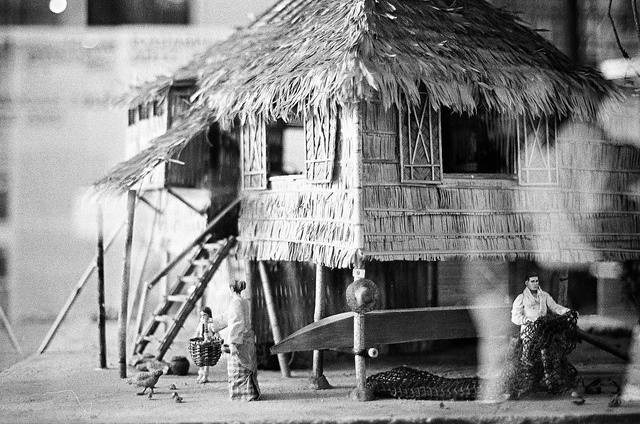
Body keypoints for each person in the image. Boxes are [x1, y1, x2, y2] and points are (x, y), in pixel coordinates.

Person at [510, 272, 574, 391]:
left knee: (546, 354)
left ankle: (549, 379)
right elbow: (515, 317)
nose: (535, 284)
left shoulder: (544, 295)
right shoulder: (521, 298)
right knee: (526, 357)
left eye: (537, 281)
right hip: (528, 333)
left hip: (543, 331)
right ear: (527, 283)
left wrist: (568, 312)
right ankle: (527, 381)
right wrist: (528, 320)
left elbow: (555, 307)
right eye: (532, 281)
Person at [206, 279, 260, 401]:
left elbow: (237, 323)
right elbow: (227, 316)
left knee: (240, 369)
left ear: (231, 289)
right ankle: (248, 393)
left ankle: (245, 395)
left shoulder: (236, 303)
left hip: (241, 341)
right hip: (246, 339)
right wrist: (212, 322)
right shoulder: (242, 301)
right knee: (244, 368)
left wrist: (233, 343)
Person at [196, 306, 217, 384]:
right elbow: (198, 331)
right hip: (201, 342)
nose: (203, 317)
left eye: (204, 315)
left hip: (208, 343)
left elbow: (215, 332)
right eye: (201, 315)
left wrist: (215, 339)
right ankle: (201, 373)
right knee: (200, 359)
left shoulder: (211, 324)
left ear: (209, 315)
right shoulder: (201, 323)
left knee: (206, 360)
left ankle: (205, 375)